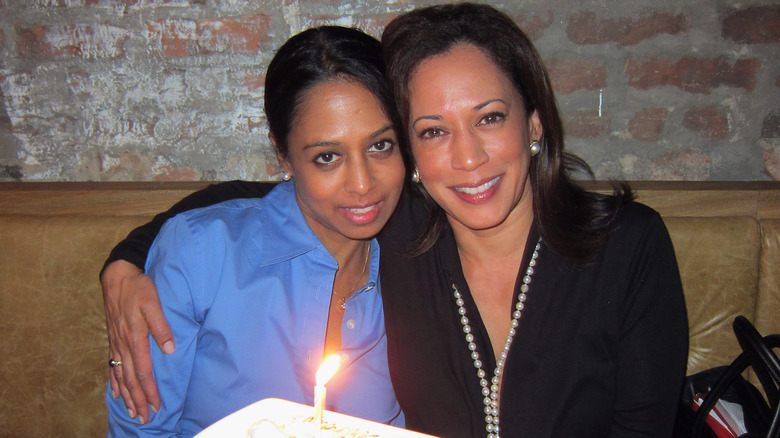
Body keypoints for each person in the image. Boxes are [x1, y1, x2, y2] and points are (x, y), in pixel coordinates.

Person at [101, 4, 689, 437]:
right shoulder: (403, 232)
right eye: (433, 130)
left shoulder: (625, 248)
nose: (467, 158)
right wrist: (126, 260)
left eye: (489, 118)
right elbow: (255, 204)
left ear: (534, 122)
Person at [103, 25, 407, 436]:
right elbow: (141, 429)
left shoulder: (423, 259)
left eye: (380, 146)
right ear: (283, 154)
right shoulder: (203, 254)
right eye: (328, 156)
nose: (362, 183)